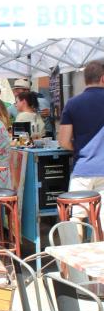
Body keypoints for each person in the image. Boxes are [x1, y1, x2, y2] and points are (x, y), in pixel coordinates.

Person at [59, 60, 104, 227]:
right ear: (103, 78)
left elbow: (63, 141)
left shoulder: (72, 103)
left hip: (83, 169)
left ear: (86, 80)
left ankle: (72, 252)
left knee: (77, 218)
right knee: (102, 221)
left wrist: (79, 148)